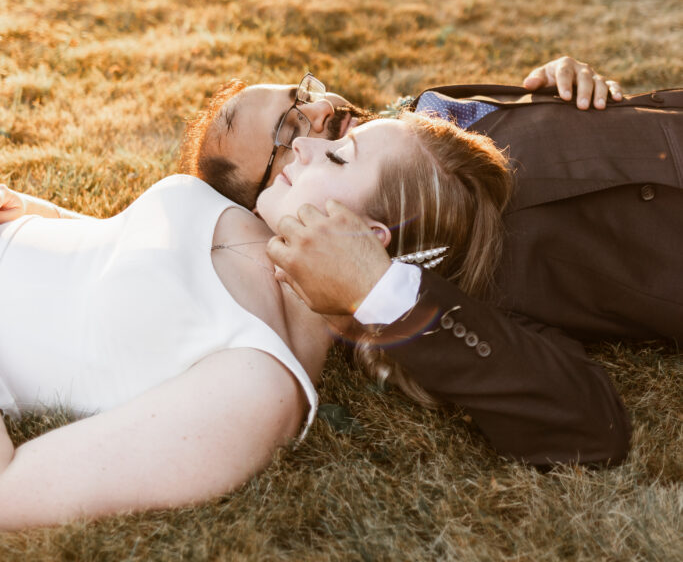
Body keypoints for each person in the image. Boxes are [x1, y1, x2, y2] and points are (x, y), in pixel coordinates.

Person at [0, 112, 509, 527]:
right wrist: (34, 211)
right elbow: (107, 251)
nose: (307, 145)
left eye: (337, 156)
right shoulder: (253, 222)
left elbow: (10, 490)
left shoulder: (257, 386)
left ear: (367, 239)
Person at [268, 81, 683, 467]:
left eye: (338, 152)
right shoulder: (483, 300)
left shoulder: (433, 139)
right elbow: (592, 427)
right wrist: (380, 289)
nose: (302, 144)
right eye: (273, 149)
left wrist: (565, 100)